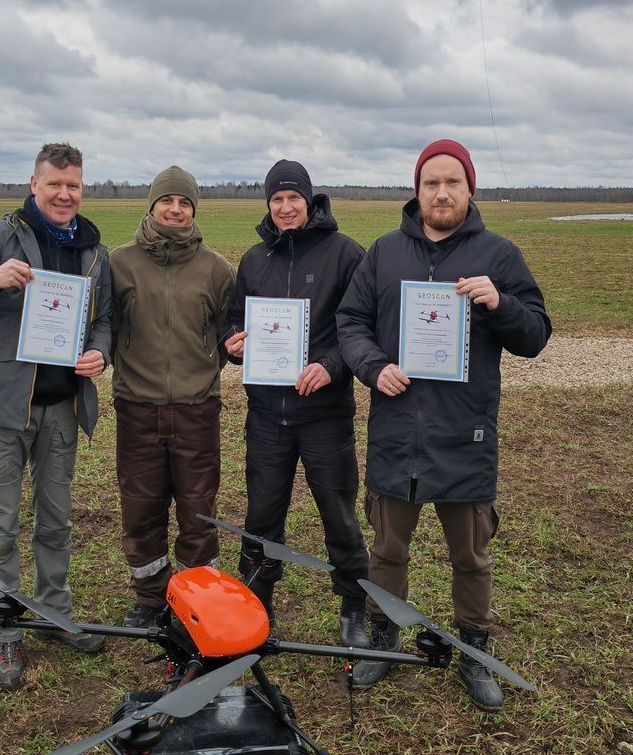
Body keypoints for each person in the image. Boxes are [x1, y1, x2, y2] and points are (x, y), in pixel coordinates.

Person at [335, 139, 551, 708]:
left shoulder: (499, 256)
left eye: (452, 182)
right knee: (387, 550)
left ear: (469, 189)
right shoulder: (383, 253)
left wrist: (499, 303)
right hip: (397, 432)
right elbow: (350, 321)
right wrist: (373, 367)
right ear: (417, 190)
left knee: (471, 556)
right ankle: (385, 639)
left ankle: (474, 651)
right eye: (431, 182)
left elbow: (535, 336)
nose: (441, 192)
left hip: (465, 434)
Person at [0, 142, 110, 690]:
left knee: (56, 523)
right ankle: (6, 630)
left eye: (73, 184)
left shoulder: (92, 249)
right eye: (54, 183)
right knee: (0, 528)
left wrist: (101, 353)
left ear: (83, 188)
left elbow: (102, 320)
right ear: (34, 184)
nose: (64, 194)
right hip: (4, 410)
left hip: (61, 409)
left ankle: (55, 613)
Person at [223, 159, 369, 647]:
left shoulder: (347, 254)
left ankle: (353, 602)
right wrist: (233, 342)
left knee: (338, 512)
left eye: (294, 198)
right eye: (276, 199)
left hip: (325, 415)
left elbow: (360, 326)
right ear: (268, 205)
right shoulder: (253, 260)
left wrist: (330, 365)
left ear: (310, 200)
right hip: (267, 414)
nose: (286, 207)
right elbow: (233, 320)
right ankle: (256, 601)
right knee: (263, 513)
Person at [108, 166, 236, 626]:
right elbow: (107, 327)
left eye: (184, 202)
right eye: (168, 201)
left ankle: (198, 599)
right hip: (137, 408)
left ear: (194, 209)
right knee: (141, 506)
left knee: (198, 508)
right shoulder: (119, 264)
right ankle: (149, 597)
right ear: (152, 205)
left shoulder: (217, 269)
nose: (176, 209)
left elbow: (227, 335)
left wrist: (222, 358)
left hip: (197, 409)